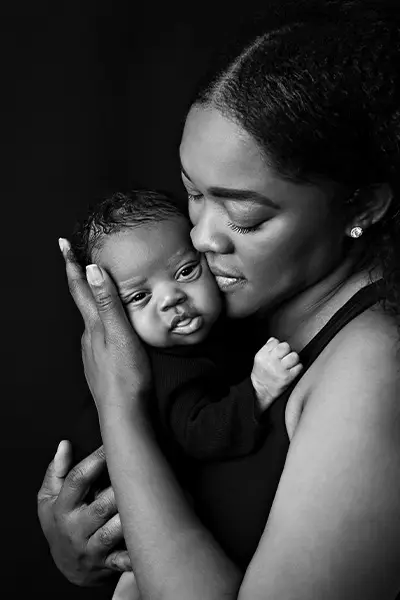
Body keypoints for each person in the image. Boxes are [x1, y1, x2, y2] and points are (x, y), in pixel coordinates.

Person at [38, 1, 400, 598]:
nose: (202, 237)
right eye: (192, 195)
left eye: (244, 215)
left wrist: (120, 406)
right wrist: (94, 547)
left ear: (362, 207)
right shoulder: (239, 323)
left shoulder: (374, 365)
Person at [70, 189, 302, 463]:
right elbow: (200, 436)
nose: (171, 298)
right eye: (139, 297)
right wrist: (258, 390)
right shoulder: (165, 372)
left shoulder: (229, 326)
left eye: (186, 271)